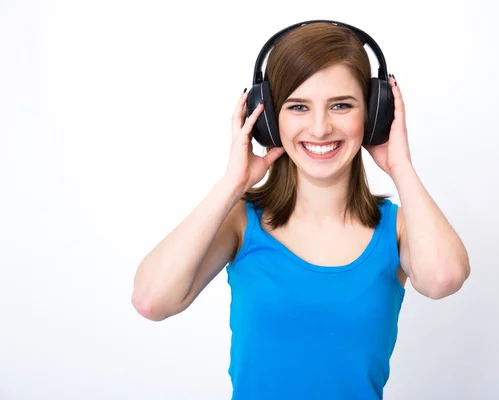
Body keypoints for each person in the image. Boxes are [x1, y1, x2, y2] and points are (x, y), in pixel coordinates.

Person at [132, 20, 470, 400]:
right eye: (298, 106)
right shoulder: (241, 222)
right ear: (269, 118)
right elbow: (151, 300)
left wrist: (400, 167)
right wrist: (232, 183)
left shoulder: (399, 229)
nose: (321, 127)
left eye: (341, 105)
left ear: (374, 115)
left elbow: (444, 278)